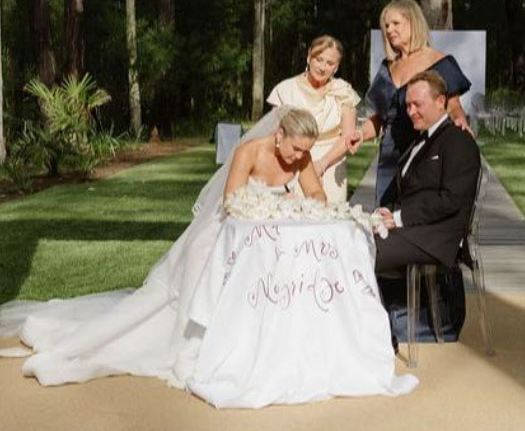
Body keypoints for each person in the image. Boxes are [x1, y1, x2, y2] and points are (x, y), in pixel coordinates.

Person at [0, 108, 324, 388]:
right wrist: (280, 204)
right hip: (219, 236)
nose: (299, 157)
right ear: (279, 134)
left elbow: (317, 196)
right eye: (296, 148)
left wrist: (301, 203)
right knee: (192, 301)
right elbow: (232, 201)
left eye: (304, 151)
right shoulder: (250, 151)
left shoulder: (302, 157)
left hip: (264, 243)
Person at [347, 0, 472, 204]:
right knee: (385, 220)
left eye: (396, 23)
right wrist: (361, 134)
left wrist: (459, 120)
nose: (389, 30)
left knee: (416, 219)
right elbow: (381, 118)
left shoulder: (438, 61)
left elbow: (453, 106)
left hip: (424, 153)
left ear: (414, 23)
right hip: (389, 161)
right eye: (386, 25)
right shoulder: (387, 67)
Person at [373, 70, 481, 274]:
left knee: (364, 253)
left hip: (437, 238)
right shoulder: (419, 140)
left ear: (441, 101)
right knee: (353, 244)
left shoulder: (458, 140)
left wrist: (399, 218)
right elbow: (411, 189)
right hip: (413, 230)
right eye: (407, 105)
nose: (411, 111)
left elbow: (451, 200)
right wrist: (389, 213)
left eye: (417, 104)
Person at [267, 35, 360, 202]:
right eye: (319, 59)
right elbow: (274, 134)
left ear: (336, 67)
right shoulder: (285, 90)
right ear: (309, 57)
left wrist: (322, 164)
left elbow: (347, 136)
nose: (323, 67)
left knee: (329, 217)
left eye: (330, 63)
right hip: (293, 160)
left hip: (332, 161)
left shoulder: (344, 92)